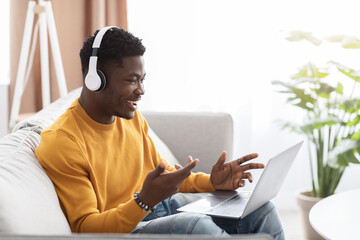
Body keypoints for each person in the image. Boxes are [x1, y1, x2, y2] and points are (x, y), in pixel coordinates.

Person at [35, 26, 284, 239]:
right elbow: (86, 227)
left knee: (262, 210)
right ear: (95, 79)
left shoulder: (131, 118)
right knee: (197, 227)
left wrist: (212, 182)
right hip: (125, 229)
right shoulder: (63, 142)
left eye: (143, 79)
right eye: (132, 80)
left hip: (157, 207)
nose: (141, 91)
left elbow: (167, 180)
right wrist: (143, 201)